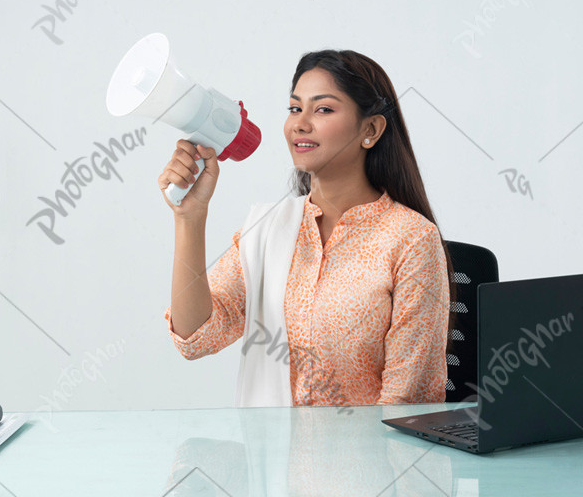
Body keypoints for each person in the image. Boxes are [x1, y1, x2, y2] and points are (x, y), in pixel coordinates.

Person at [161, 49, 455, 406]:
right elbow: (195, 337)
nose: (300, 123)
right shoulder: (269, 230)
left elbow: (407, 405)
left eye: (323, 109)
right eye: (294, 108)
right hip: (273, 457)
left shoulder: (410, 240)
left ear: (371, 129)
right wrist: (189, 218)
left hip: (370, 459)